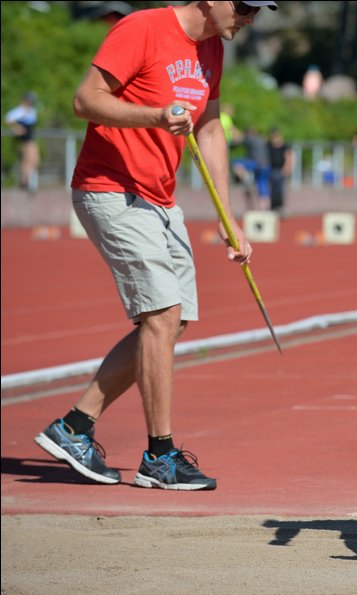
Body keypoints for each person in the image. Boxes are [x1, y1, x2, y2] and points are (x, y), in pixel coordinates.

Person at [33, 0, 277, 491]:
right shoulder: (142, 28)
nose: (252, 18)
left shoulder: (212, 48)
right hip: (110, 189)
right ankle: (159, 456)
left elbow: (209, 130)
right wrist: (154, 115)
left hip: (160, 200)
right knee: (162, 315)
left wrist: (230, 220)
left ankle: (75, 427)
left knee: (173, 320)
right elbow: (86, 100)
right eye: (247, 6)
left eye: (260, 10)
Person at [4, 91, 40, 193]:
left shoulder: (31, 111)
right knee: (29, 160)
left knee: (33, 160)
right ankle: (25, 182)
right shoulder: (20, 111)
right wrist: (17, 128)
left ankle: (26, 181)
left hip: (31, 139)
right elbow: (8, 119)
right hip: (26, 140)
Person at [267, 127, 294, 216]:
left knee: (280, 189)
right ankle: (273, 207)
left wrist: (287, 168)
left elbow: (288, 156)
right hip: (272, 169)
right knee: (272, 189)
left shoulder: (284, 146)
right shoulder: (269, 145)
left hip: (280, 170)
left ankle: (280, 206)